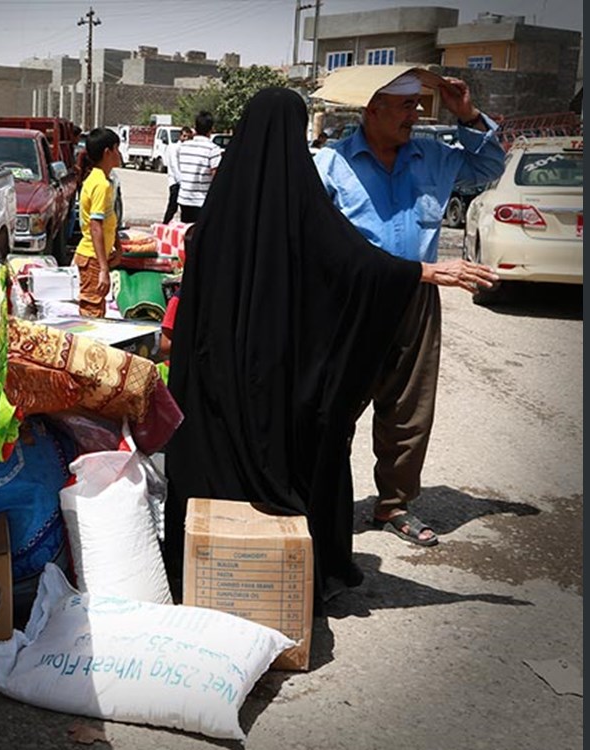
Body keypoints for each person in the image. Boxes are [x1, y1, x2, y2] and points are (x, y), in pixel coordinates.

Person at [164, 88, 497, 602]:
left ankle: (211, 558)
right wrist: (428, 271)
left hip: (217, 374)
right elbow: (352, 262)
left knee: (223, 445)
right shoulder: (305, 202)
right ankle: (290, 560)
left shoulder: (211, 219)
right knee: (307, 433)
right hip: (281, 367)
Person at [314, 70, 505, 547]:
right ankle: (316, 500)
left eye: (418, 105)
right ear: (371, 109)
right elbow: (316, 243)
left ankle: (394, 504)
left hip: (417, 299)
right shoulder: (330, 165)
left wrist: (467, 113)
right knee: (335, 403)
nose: (416, 115)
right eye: (405, 106)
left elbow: (489, 168)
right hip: (352, 301)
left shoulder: (434, 156)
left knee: (409, 408)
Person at [72, 128, 123, 318]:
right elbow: (95, 226)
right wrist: (103, 268)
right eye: (117, 149)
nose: (120, 154)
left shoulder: (103, 181)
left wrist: (118, 246)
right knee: (92, 314)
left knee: (97, 311)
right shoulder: (100, 184)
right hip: (92, 257)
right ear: (107, 152)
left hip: (96, 256)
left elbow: (109, 220)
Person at [175, 111, 224, 223]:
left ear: (195, 128)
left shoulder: (183, 147)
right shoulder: (213, 149)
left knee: (187, 233)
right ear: (211, 129)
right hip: (202, 200)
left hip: (184, 198)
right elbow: (216, 176)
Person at [163, 126, 193, 224]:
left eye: (188, 137)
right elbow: (174, 165)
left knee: (185, 208)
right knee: (173, 206)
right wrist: (181, 181)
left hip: (185, 183)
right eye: (184, 136)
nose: (186, 139)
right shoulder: (174, 147)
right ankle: (165, 225)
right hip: (176, 182)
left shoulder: (188, 149)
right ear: (180, 136)